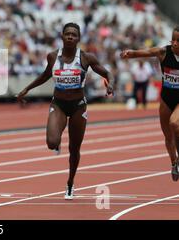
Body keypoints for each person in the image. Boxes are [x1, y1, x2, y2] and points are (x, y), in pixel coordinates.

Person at [17, 22, 114, 200]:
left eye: (74, 34)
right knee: (52, 142)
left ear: (78, 38)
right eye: (67, 34)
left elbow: (108, 73)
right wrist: (26, 89)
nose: (70, 37)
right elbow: (45, 75)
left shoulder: (86, 58)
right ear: (61, 36)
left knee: (74, 149)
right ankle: (57, 137)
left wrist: (110, 86)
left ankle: (70, 183)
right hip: (59, 104)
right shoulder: (53, 57)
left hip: (78, 107)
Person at [120, 26, 179, 181]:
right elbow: (146, 52)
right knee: (167, 136)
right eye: (173, 39)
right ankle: (174, 162)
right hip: (166, 98)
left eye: (178, 41)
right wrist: (130, 53)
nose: (175, 43)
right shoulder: (163, 52)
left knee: (175, 123)